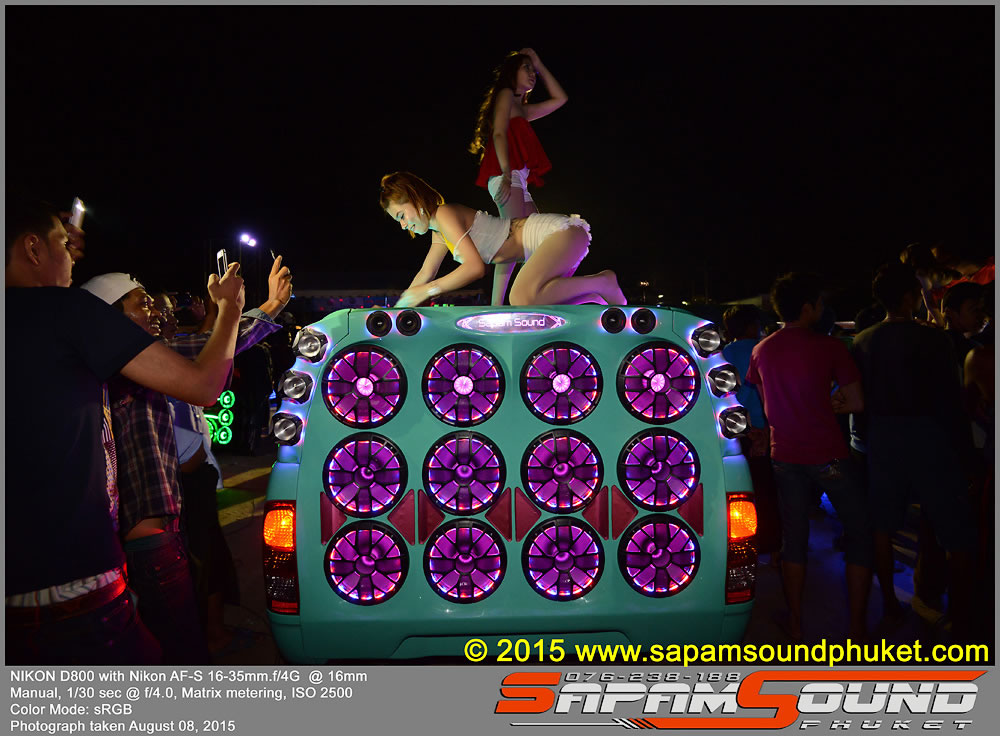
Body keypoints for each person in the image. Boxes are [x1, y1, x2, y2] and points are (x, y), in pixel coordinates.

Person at [5, 197, 243, 664]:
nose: (75, 255)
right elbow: (202, 384)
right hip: (72, 583)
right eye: (63, 245)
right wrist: (230, 308)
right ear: (32, 249)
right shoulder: (65, 310)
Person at [80, 269, 246, 664]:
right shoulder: (122, 363)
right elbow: (205, 379)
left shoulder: (124, 360)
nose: (156, 311)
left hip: (157, 531)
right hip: (149, 538)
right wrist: (230, 310)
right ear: (112, 316)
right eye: (144, 304)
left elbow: (206, 350)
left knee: (172, 643)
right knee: (181, 651)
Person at [851, 262, 977, 642]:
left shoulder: (863, 341)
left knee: (882, 526)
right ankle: (960, 614)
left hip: (883, 438)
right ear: (910, 298)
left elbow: (860, 400)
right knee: (955, 529)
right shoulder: (934, 339)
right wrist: (965, 454)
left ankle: (890, 604)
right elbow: (952, 400)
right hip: (930, 436)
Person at [746, 272, 873, 643]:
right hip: (829, 455)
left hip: (785, 456)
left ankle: (797, 624)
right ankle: (857, 628)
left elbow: (768, 407)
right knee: (860, 535)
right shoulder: (829, 347)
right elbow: (857, 401)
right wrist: (829, 403)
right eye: (818, 302)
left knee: (794, 540)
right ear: (808, 308)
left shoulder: (761, 350)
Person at [380, 171, 625, 308]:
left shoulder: (445, 214)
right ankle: (596, 296)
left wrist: (428, 290)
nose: (403, 225)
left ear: (416, 199)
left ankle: (602, 282)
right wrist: (397, 309)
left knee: (520, 298)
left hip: (558, 233)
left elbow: (475, 268)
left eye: (401, 216)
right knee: (534, 303)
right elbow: (425, 273)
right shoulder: (439, 232)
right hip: (557, 240)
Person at [470, 48, 568, 304]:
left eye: (533, 70)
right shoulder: (505, 95)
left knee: (536, 239)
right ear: (511, 72)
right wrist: (505, 173)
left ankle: (535, 294)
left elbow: (560, 98)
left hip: (518, 181)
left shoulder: (523, 110)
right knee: (514, 242)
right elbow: (499, 133)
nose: (532, 73)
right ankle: (496, 306)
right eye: (526, 68)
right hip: (506, 176)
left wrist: (539, 63)